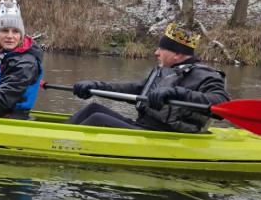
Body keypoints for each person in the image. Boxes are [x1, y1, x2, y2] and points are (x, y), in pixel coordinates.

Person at [66, 22, 229, 133]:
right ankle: (52, 135)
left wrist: (178, 93)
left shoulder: (205, 74)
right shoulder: (165, 71)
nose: (156, 53)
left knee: (98, 118)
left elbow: (222, 103)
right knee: (93, 109)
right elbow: (133, 89)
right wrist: (95, 87)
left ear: (178, 54)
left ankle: (61, 143)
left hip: (164, 136)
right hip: (142, 127)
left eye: (162, 49)